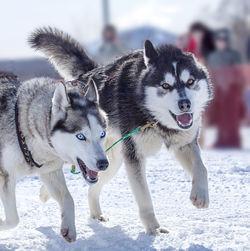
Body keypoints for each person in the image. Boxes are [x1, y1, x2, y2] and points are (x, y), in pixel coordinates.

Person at [207, 28, 245, 148]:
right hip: (219, 89)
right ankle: (221, 139)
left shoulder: (234, 55)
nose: (221, 43)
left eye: (223, 40)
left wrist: (238, 86)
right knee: (220, 115)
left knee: (232, 115)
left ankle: (234, 140)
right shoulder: (213, 56)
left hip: (233, 88)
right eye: (219, 40)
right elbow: (211, 73)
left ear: (227, 41)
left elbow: (239, 71)